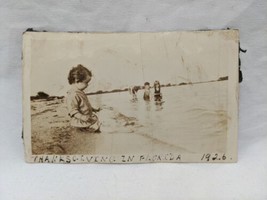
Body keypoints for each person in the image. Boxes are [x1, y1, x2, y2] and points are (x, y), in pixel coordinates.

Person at [66, 64, 101, 132]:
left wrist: (93, 109)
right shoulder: (73, 94)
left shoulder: (80, 92)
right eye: (86, 82)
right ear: (77, 81)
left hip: (86, 119)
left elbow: (84, 105)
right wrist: (82, 117)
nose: (87, 85)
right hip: (80, 123)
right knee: (94, 132)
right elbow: (73, 111)